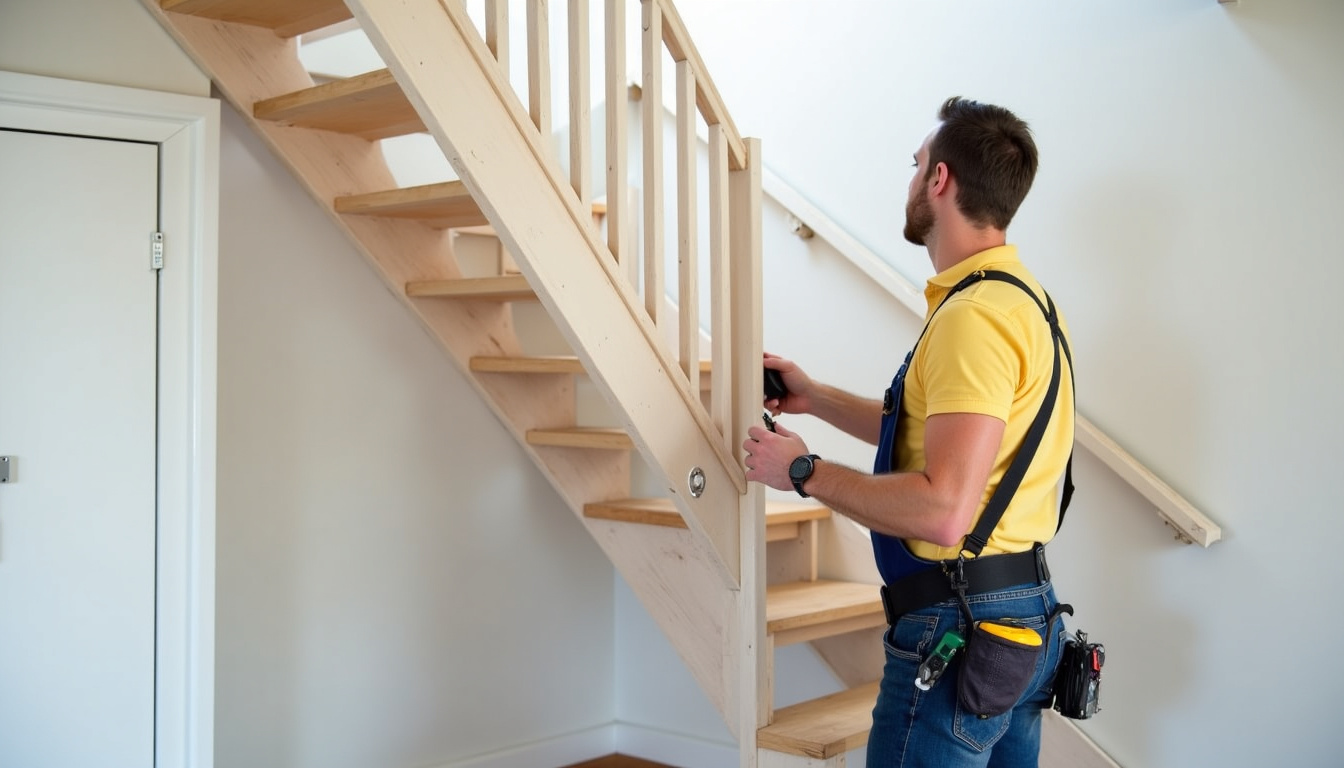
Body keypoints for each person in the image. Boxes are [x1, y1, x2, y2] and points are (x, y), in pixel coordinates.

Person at [743, 96, 1076, 767]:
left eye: (916, 163)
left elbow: (945, 509)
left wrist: (803, 473)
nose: (911, 178)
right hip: (1022, 616)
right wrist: (815, 398)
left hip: (961, 624)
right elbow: (937, 435)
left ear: (941, 180)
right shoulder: (1023, 301)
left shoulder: (972, 318)